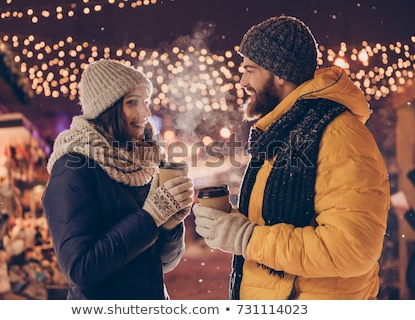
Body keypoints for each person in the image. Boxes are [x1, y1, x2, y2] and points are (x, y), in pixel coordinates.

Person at [193, 15, 390, 300]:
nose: (243, 81)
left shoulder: (339, 135)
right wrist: (229, 224)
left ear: (279, 73)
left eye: (250, 69)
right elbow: (276, 224)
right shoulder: (283, 132)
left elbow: (351, 249)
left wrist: (247, 238)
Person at [42, 59, 194, 300]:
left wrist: (169, 225)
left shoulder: (141, 164)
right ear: (106, 107)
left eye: (145, 102)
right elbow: (80, 270)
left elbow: (162, 263)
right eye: (132, 102)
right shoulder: (72, 168)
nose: (145, 113)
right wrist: (151, 216)